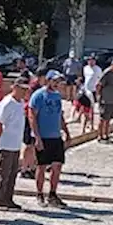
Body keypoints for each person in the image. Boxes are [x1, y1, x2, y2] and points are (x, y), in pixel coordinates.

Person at [28, 71, 71, 207]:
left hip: (56, 136)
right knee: (41, 166)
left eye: (59, 81)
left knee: (57, 165)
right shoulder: (39, 95)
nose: (57, 84)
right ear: (48, 80)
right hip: (43, 136)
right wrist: (37, 137)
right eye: (55, 81)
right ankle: (39, 194)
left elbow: (60, 115)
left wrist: (67, 132)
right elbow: (32, 116)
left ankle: (52, 194)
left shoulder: (57, 96)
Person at [0, 77, 28, 211]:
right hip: (6, 143)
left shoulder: (20, 102)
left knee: (13, 173)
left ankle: (8, 199)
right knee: (3, 172)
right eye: (22, 89)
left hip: (16, 143)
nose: (24, 92)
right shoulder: (7, 102)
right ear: (15, 87)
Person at [94, 58, 113, 143]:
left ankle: (106, 135)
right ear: (112, 65)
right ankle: (100, 136)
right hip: (106, 99)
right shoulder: (107, 73)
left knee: (109, 118)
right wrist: (98, 96)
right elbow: (98, 85)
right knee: (103, 118)